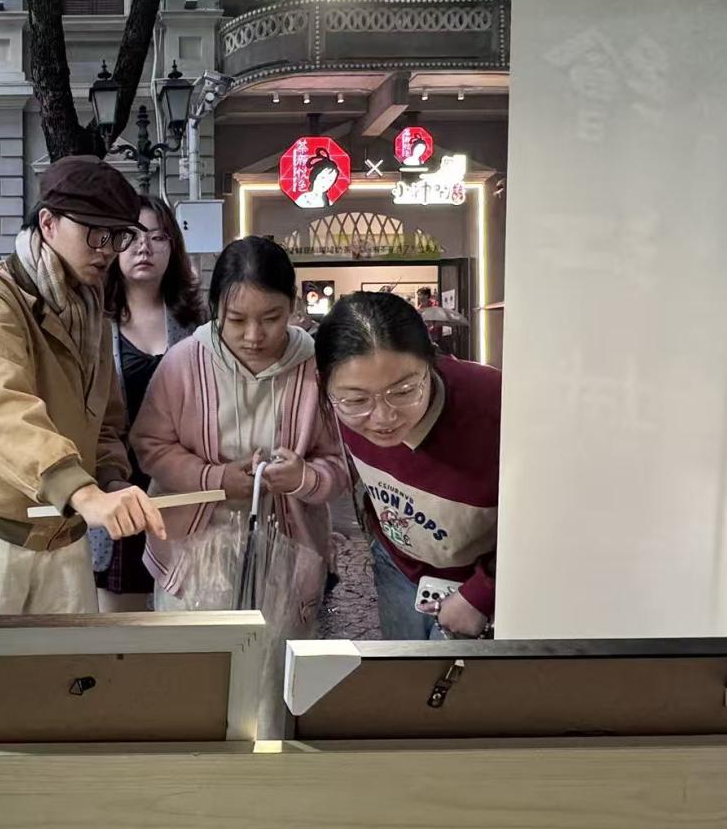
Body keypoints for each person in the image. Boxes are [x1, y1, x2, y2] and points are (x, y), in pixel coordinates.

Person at [0, 156, 166, 615]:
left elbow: (104, 417)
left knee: (71, 660)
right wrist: (83, 492)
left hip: (64, 525)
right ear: (49, 223)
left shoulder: (89, 305)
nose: (107, 250)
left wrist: (111, 479)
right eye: (95, 233)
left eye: (117, 235)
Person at [132, 236, 346, 736]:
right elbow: (150, 444)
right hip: (194, 554)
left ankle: (268, 778)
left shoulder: (316, 367)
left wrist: (304, 477)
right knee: (194, 687)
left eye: (271, 318)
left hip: (288, 555)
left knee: (273, 690)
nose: (254, 335)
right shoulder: (185, 362)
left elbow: (343, 460)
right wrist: (217, 479)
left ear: (294, 305)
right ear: (215, 311)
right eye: (237, 320)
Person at [315, 291, 499, 639]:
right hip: (397, 563)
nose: (383, 418)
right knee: (405, 665)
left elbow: (550, 516)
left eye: (403, 392)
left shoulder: (496, 407)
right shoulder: (334, 406)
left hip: (476, 578)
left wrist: (483, 591)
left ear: (432, 363)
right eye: (357, 400)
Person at [90, 194, 206, 611]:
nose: (144, 247)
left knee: (181, 610)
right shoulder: (94, 322)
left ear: (173, 247)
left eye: (157, 237)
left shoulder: (196, 323)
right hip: (116, 483)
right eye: (132, 236)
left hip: (178, 485)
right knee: (118, 621)